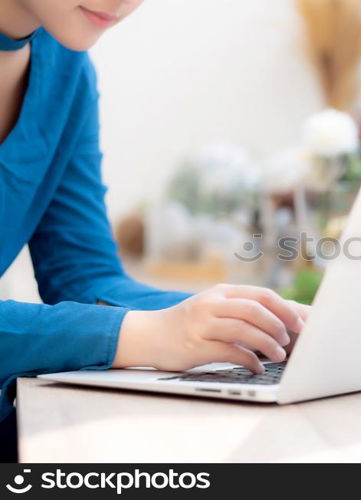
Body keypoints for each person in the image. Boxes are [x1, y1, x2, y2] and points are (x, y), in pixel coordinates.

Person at [0, 0, 309, 462]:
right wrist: (147, 334)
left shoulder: (67, 71)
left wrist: (254, 318)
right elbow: (139, 328)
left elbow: (86, 277)